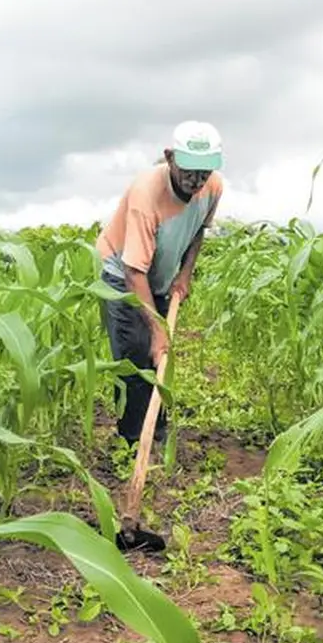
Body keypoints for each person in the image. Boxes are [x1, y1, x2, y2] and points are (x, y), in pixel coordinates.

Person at [95, 120, 225, 445]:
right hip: (121, 275)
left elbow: (198, 229)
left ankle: (158, 430)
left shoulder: (213, 187)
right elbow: (133, 272)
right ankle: (131, 441)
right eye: (189, 171)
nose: (196, 181)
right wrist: (156, 330)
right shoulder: (146, 196)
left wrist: (185, 273)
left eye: (204, 172)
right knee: (136, 353)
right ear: (169, 158)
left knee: (159, 357)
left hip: (161, 277)